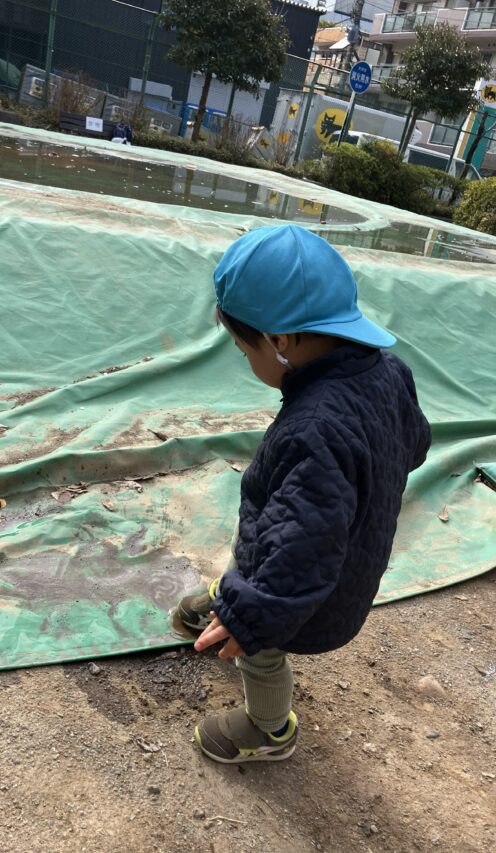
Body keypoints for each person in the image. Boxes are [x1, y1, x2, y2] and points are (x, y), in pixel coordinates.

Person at [177, 224, 431, 764]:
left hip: (309, 592)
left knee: (259, 646)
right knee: (265, 545)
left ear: (280, 341)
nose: (249, 362)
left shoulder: (313, 428)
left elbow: (303, 547)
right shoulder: (389, 369)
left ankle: (268, 729)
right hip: (350, 554)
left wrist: (257, 615)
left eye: (246, 350)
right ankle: (232, 596)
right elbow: (417, 443)